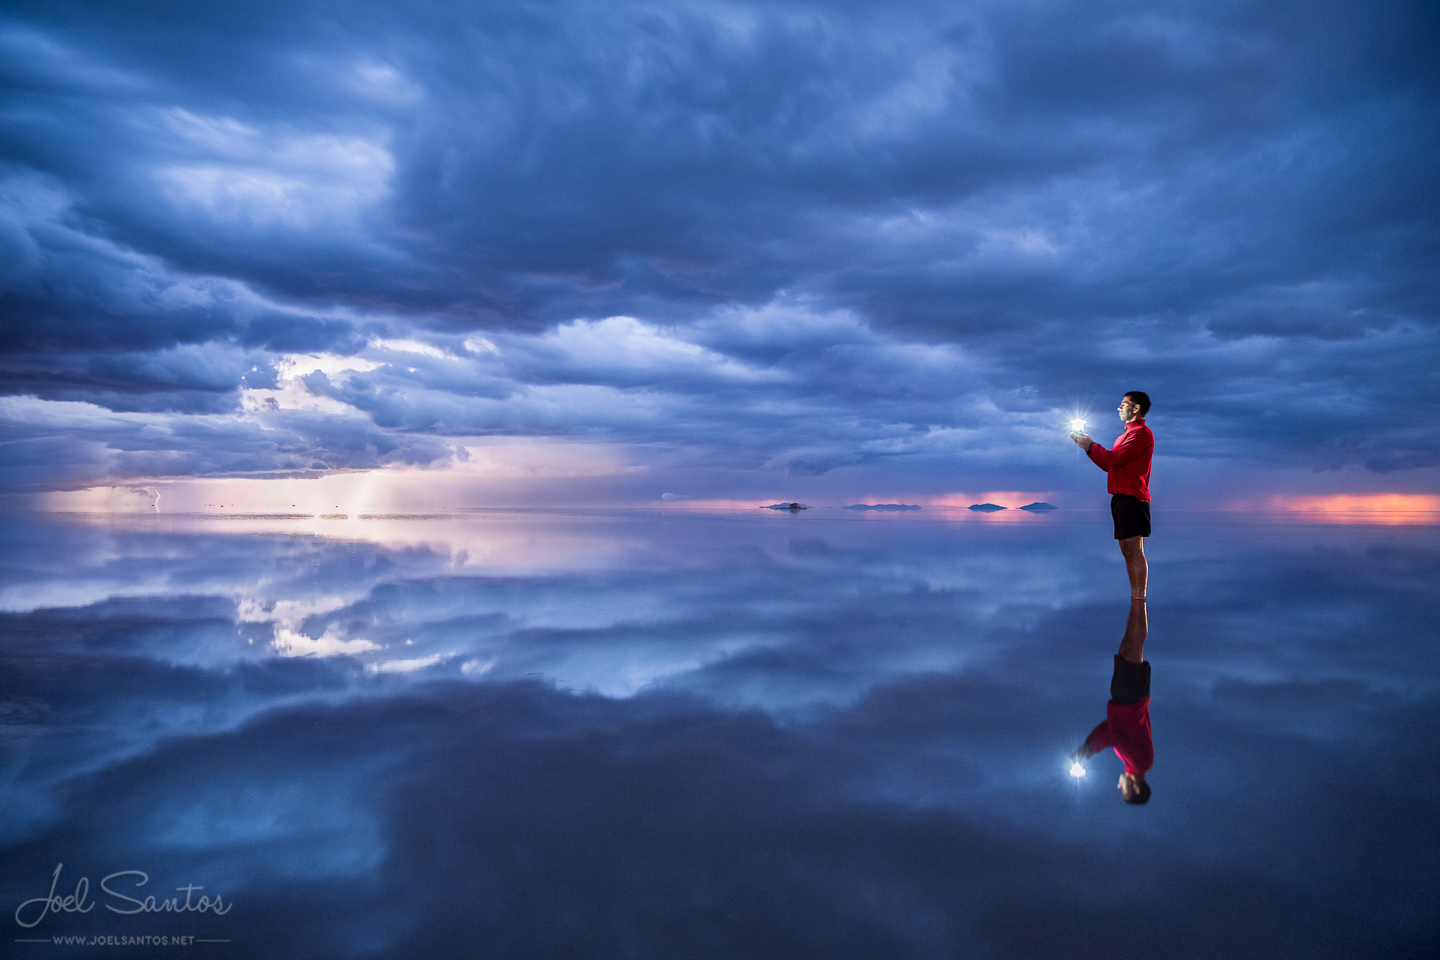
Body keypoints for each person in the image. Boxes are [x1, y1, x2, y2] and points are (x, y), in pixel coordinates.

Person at [1070, 392, 1154, 600]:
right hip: (1120, 497)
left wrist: (1091, 445)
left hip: (1133, 497)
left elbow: (1114, 459)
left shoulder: (1141, 434)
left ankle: (1139, 598)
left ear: (1136, 408)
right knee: (1126, 548)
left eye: (1124, 404)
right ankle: (1136, 597)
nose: (1119, 408)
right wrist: (1089, 450)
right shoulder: (1123, 436)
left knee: (1133, 549)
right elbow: (1110, 465)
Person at [1071, 599, 1152, 804]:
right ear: (1135, 788)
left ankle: (1137, 596)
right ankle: (1139, 595)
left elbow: (1110, 728)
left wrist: (1088, 745)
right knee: (1134, 646)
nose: (1119, 787)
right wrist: (1089, 750)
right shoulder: (1141, 763)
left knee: (1128, 646)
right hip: (1130, 700)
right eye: (1124, 792)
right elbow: (1114, 737)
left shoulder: (1131, 764)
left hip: (1123, 701)